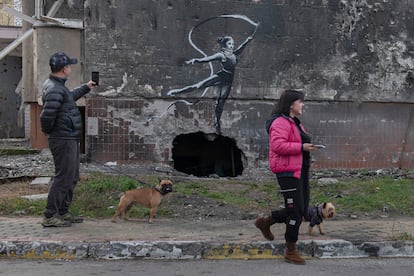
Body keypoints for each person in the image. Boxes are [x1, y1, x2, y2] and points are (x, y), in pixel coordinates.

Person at [254, 89, 316, 265]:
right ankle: (291, 250)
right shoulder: (280, 122)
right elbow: (278, 145)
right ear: (291, 104)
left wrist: (307, 149)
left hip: (300, 170)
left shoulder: (295, 122)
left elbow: (297, 143)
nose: (302, 104)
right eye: (300, 101)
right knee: (295, 211)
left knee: (301, 210)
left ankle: (266, 222)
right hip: (287, 172)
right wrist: (301, 147)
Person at [40, 52, 97, 227]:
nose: (71, 68)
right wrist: (54, 133)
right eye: (69, 66)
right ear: (65, 69)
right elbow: (46, 117)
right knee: (63, 177)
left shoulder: (58, 86)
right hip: (63, 139)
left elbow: (68, 98)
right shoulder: (55, 89)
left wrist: (87, 87)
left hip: (68, 138)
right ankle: (50, 215)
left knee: (71, 176)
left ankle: (63, 212)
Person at [167, 34, 255, 134]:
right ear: (224, 45)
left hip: (227, 82)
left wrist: (247, 41)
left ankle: (216, 122)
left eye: (232, 44)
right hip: (221, 76)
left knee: (220, 102)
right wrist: (197, 60)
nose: (232, 46)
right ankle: (177, 91)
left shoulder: (234, 54)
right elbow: (208, 59)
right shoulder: (221, 55)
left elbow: (240, 48)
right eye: (229, 44)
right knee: (199, 86)